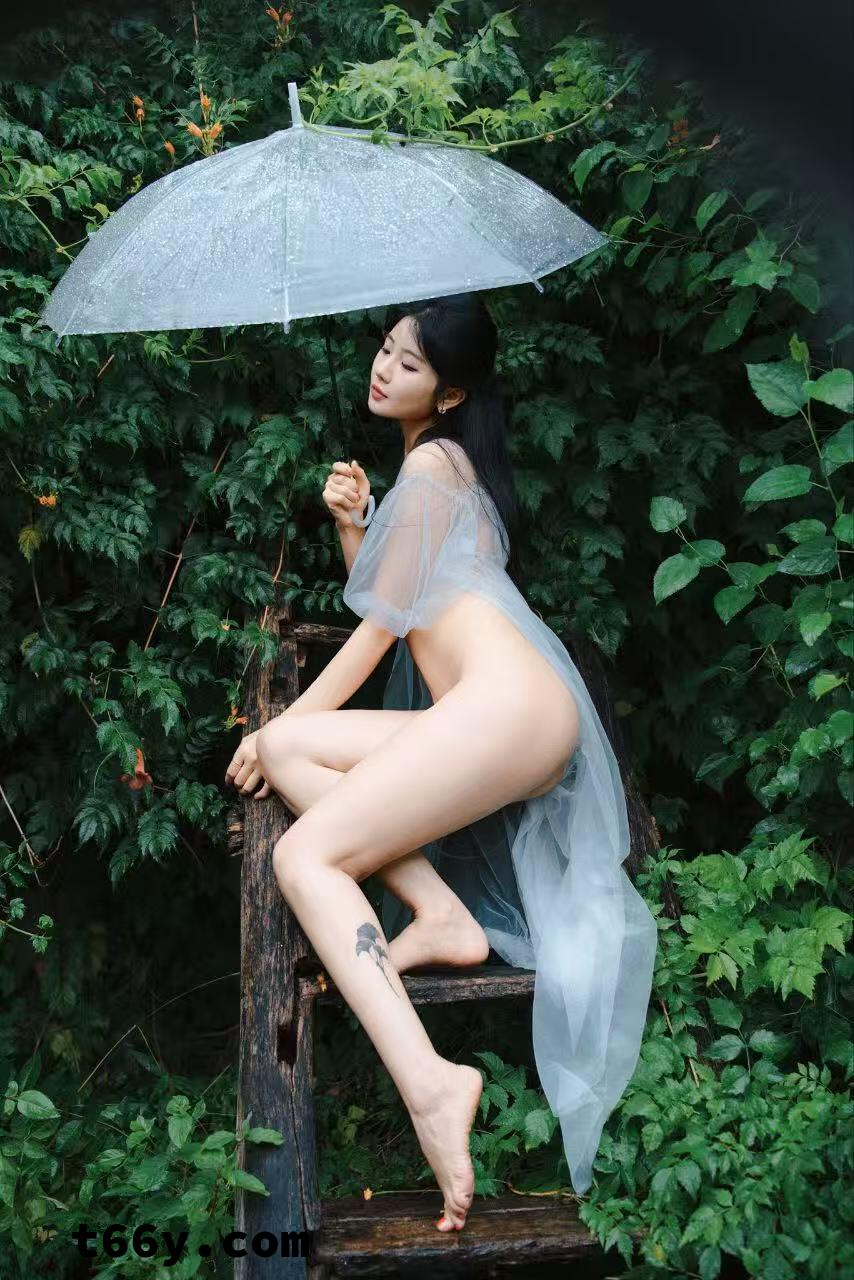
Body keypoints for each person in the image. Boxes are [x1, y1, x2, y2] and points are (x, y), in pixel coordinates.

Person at [224, 293, 658, 1232]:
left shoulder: (431, 465)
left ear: (451, 392)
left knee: (302, 856)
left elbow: (380, 633)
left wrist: (271, 721)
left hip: (506, 711)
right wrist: (358, 525)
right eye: (385, 349)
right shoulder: (446, 469)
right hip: (502, 711)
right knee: (298, 752)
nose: (385, 369)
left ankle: (431, 1085)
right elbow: (409, 601)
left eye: (410, 363)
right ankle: (443, 914)